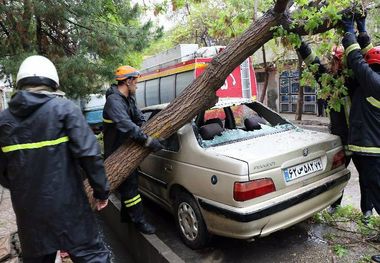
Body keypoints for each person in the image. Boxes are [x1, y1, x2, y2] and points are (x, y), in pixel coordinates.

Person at [0, 55, 111, 262]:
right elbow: (90, 154)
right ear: (52, 83)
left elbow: (4, 175)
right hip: (70, 208)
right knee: (92, 256)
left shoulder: (4, 121)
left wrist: (24, 189)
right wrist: (101, 191)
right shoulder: (65, 109)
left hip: (29, 214)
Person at [296, 20, 374, 218]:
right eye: (334, 61)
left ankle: (367, 211)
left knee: (366, 178)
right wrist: (298, 42)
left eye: (338, 60)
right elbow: (312, 62)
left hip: (359, 141)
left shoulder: (357, 82)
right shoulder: (328, 82)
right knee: (335, 177)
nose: (334, 64)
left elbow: (366, 58)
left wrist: (360, 32)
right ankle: (334, 205)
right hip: (339, 139)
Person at [102, 65, 164, 234]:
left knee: (130, 187)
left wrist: (147, 127)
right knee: (130, 189)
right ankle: (139, 222)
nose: (137, 85)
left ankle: (127, 218)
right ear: (128, 81)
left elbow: (137, 117)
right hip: (117, 152)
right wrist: (148, 141)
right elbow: (126, 125)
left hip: (126, 149)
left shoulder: (128, 98)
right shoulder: (114, 101)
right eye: (135, 81)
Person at [341, 12, 380, 263]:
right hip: (371, 151)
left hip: (372, 152)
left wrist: (348, 29)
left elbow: (357, 58)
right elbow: (369, 56)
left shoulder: (374, 83)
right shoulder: (375, 80)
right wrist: (362, 27)